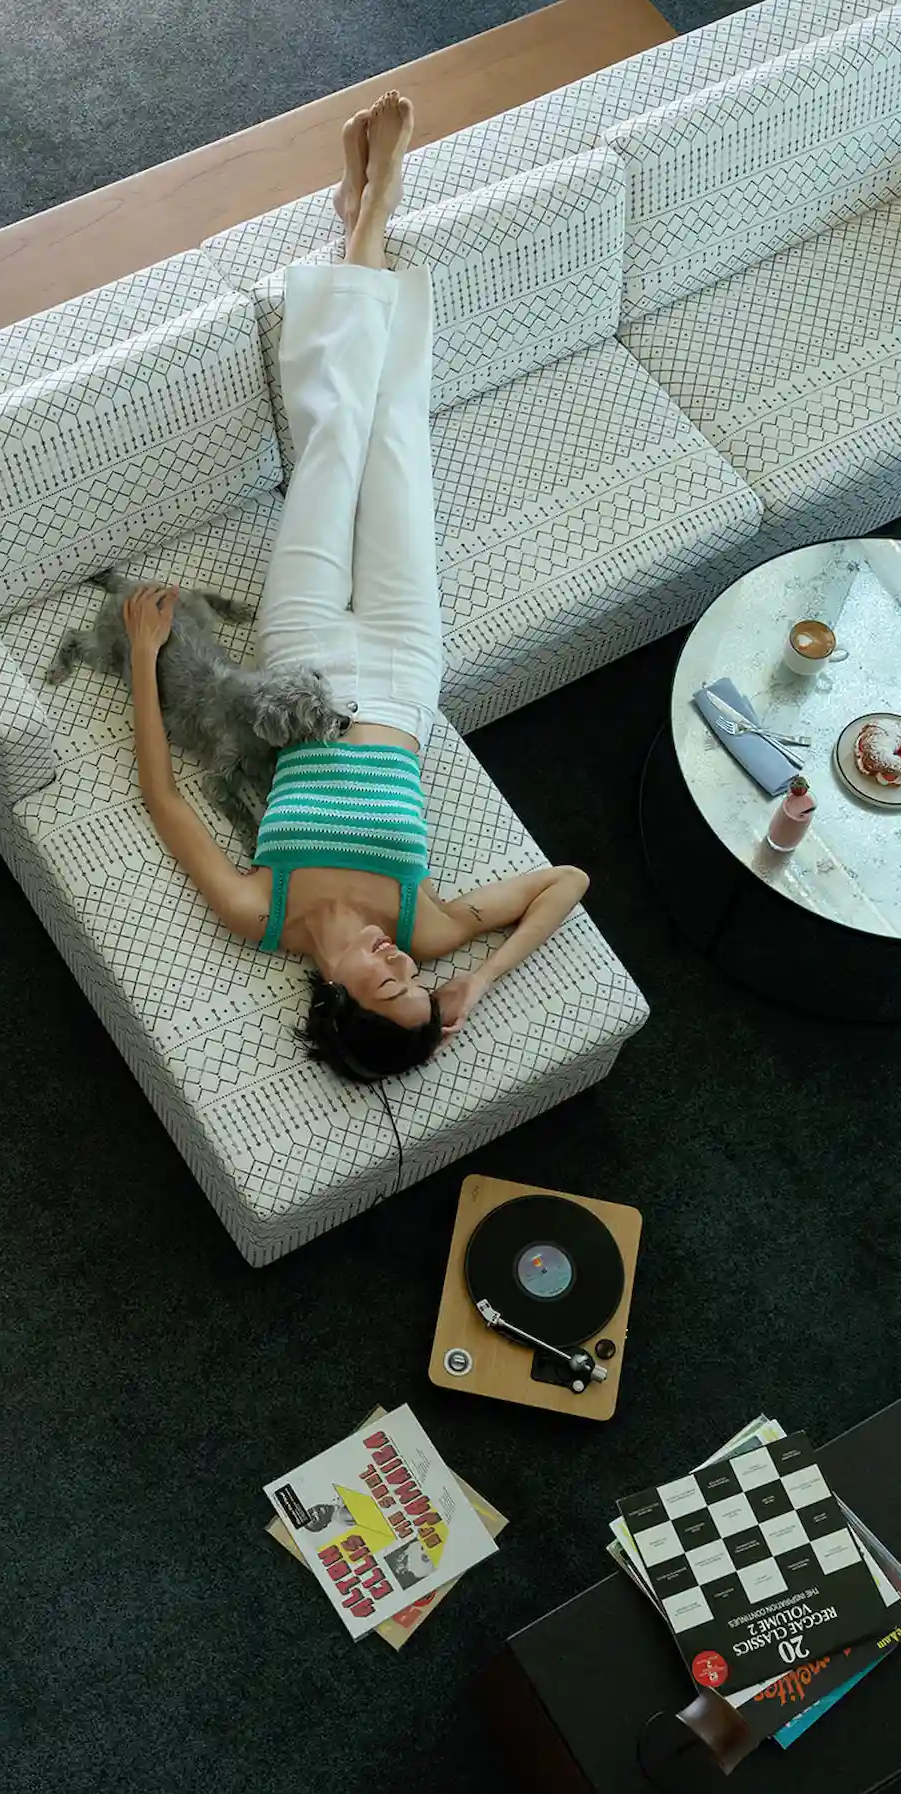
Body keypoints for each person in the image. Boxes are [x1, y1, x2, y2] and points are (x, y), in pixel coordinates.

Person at [122, 92, 589, 1083]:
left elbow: (162, 799)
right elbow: (566, 882)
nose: (398, 961)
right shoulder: (425, 927)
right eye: (413, 978)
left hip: (307, 665)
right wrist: (480, 982)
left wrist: (144, 658)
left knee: (336, 442)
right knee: (393, 443)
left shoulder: (265, 914)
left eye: (385, 983)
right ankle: (361, 218)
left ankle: (369, 217)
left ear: (334, 997)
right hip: (406, 662)